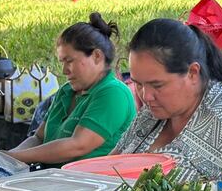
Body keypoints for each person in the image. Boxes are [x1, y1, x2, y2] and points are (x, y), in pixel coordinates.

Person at [114, 18, 222, 183]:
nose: (146, 96)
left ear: (192, 73)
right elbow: (109, 164)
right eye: (138, 84)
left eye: (157, 85)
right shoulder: (151, 114)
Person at [9, 13, 136, 166]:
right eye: (62, 62)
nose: (64, 70)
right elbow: (38, 138)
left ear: (97, 56)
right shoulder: (66, 91)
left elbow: (77, 145)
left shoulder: (113, 93)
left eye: (69, 61)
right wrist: (7, 159)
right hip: (53, 180)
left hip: (91, 184)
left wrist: (14, 157)